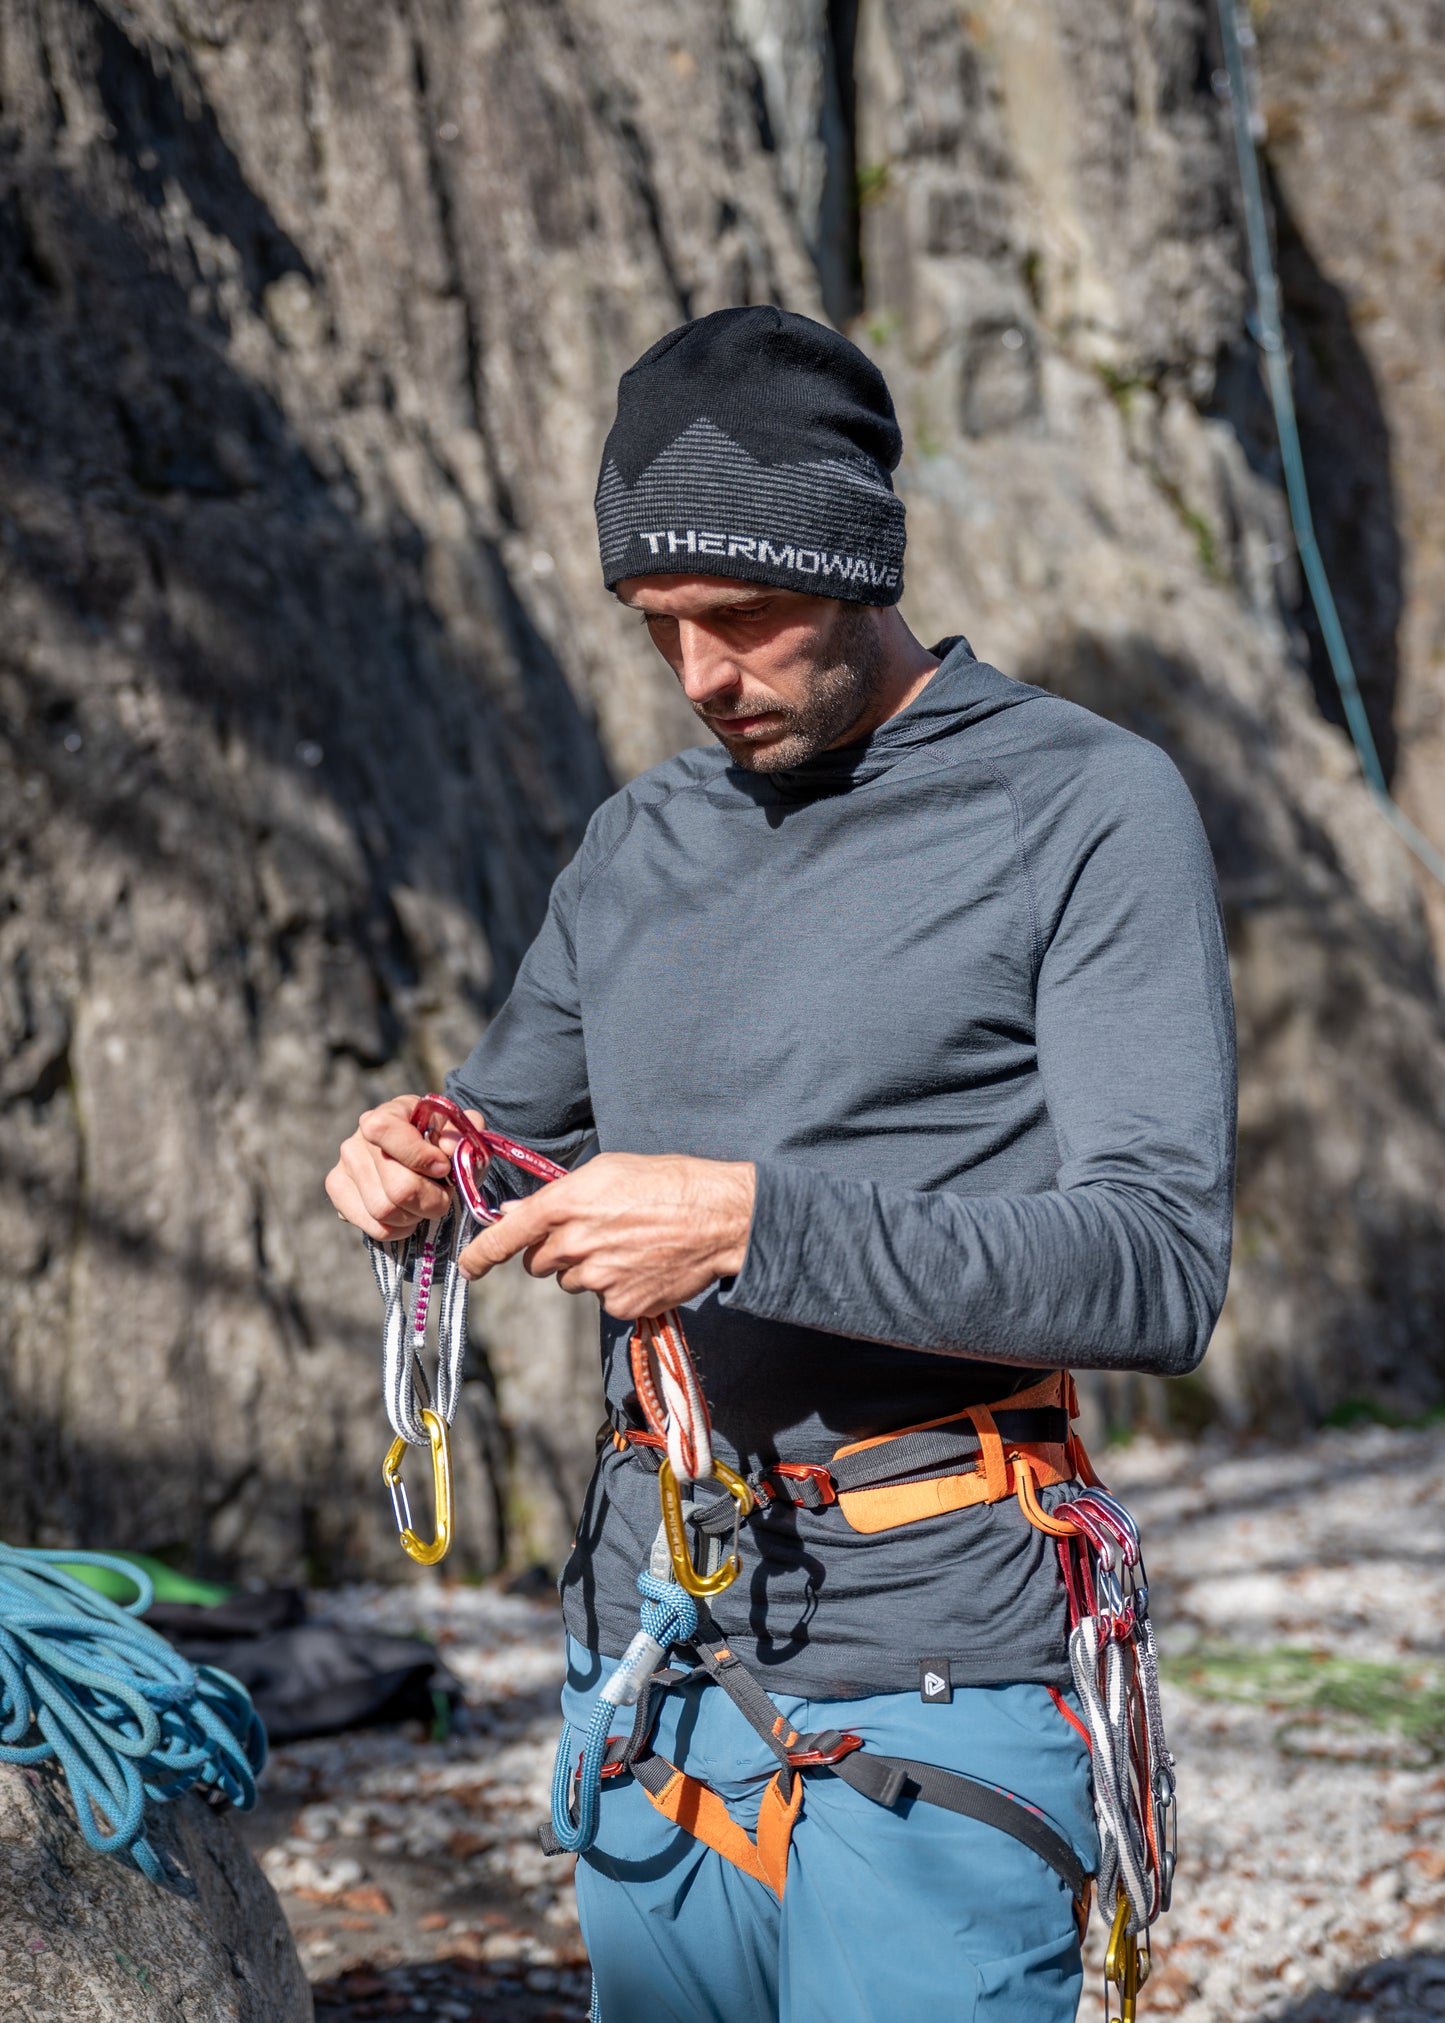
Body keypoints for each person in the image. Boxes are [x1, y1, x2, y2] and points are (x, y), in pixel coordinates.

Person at [327, 305, 1236, 2023]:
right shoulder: (639, 843)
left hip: (937, 1656)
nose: (701, 677)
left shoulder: (1084, 810)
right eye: (659, 628)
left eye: (744, 619)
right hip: (649, 1654)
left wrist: (750, 1223)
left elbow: (1154, 1266)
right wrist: (414, 1168)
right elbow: (500, 1142)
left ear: (859, 568)